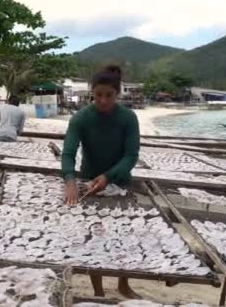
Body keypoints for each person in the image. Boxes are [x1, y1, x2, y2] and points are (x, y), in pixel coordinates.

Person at [61, 65, 141, 298]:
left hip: (120, 181)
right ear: (91, 93)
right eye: (98, 95)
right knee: (93, 236)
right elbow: (68, 153)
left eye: (109, 95)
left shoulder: (128, 118)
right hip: (89, 182)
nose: (103, 101)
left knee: (124, 234)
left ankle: (123, 284)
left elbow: (131, 155)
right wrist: (69, 179)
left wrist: (109, 176)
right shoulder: (81, 118)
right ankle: (98, 292)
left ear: (118, 94)